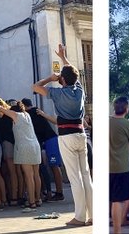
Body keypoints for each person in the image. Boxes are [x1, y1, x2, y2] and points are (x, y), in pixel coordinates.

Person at [33, 44, 92, 226]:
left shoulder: (57, 93)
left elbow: (35, 87)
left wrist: (50, 78)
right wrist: (64, 58)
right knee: (86, 176)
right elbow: (72, 74)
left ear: (62, 80)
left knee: (75, 178)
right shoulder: (80, 91)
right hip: (81, 135)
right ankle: (93, 215)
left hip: (66, 136)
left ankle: (80, 217)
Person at [0, 101, 43, 212]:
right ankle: (38, 199)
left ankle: (31, 202)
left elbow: (1, 109)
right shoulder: (27, 115)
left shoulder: (16, 115)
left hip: (24, 146)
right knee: (36, 175)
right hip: (35, 145)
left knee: (28, 176)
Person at [109, 97, 129, 234]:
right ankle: (117, 230)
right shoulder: (127, 124)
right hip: (121, 166)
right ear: (126, 109)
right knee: (117, 201)